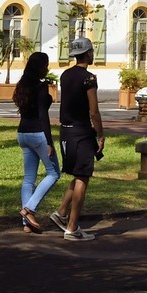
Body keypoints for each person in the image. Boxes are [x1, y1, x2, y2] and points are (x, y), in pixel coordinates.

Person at [48, 35, 104, 242]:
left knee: (77, 174)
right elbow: (94, 111)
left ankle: (61, 212)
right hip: (81, 132)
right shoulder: (89, 78)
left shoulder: (65, 75)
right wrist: (101, 134)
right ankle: (72, 228)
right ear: (88, 53)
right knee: (83, 177)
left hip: (66, 132)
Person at [12, 51, 58, 233]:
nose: (47, 68)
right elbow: (43, 115)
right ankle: (29, 209)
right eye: (45, 65)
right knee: (54, 173)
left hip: (22, 133)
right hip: (38, 134)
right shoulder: (40, 88)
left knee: (28, 179)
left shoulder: (22, 85)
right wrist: (49, 141)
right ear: (39, 67)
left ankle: (27, 224)